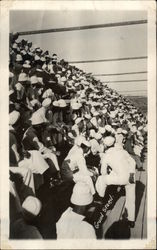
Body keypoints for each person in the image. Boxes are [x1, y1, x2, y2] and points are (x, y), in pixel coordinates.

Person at [96, 136, 136, 227]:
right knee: (131, 197)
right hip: (131, 175)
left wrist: (111, 175)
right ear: (114, 144)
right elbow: (133, 162)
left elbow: (103, 172)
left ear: (106, 146)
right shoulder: (123, 151)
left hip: (120, 178)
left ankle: (100, 197)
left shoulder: (106, 156)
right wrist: (130, 175)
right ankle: (131, 220)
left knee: (101, 179)